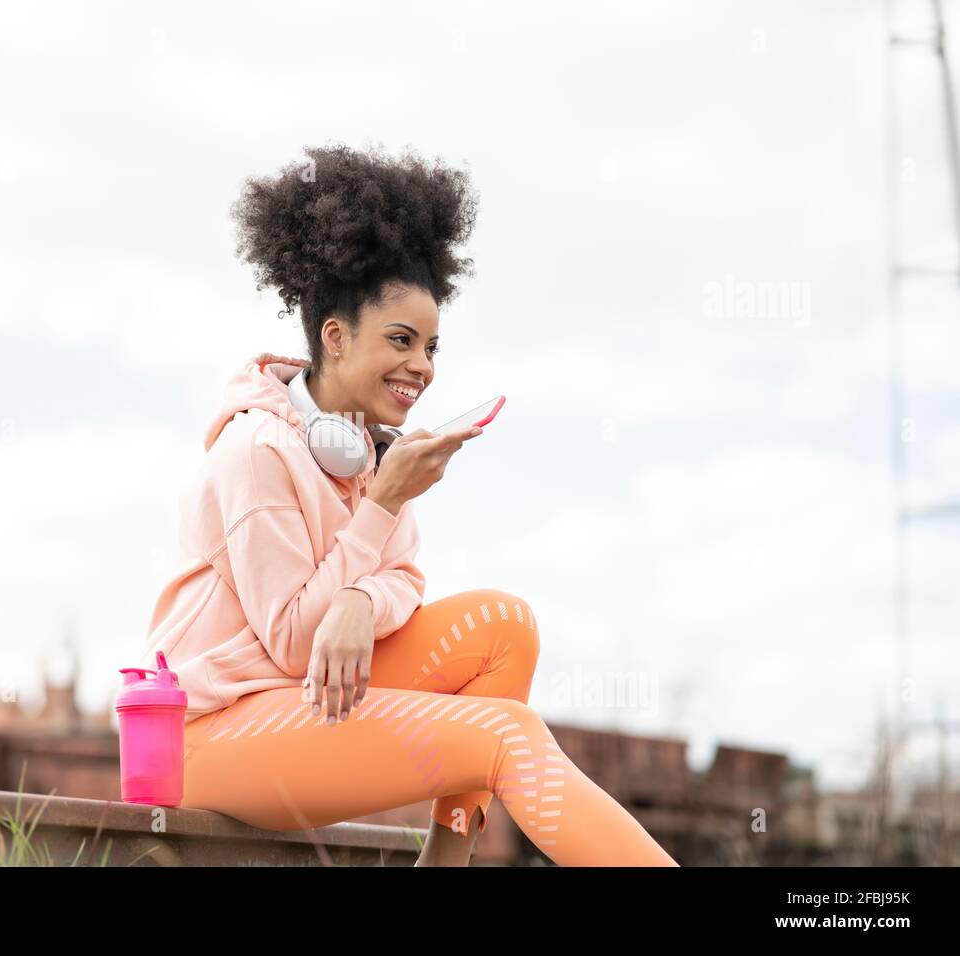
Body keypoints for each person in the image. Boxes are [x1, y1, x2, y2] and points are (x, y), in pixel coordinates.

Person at [140, 144, 677, 866]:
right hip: (206, 739)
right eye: (401, 340)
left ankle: (444, 864)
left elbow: (403, 582)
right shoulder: (257, 452)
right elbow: (299, 643)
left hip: (298, 705)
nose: (422, 366)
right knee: (507, 735)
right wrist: (381, 510)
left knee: (506, 626)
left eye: (430, 345)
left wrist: (361, 593)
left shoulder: (365, 451)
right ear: (335, 337)